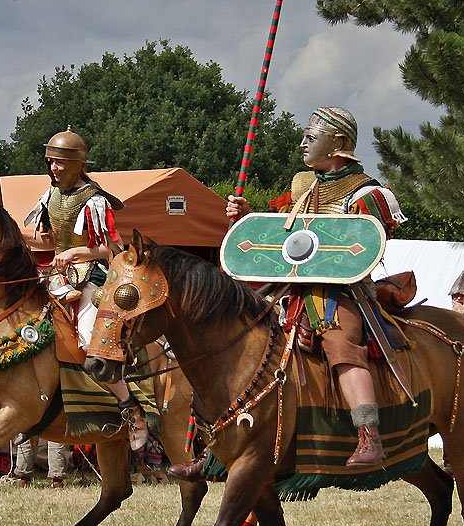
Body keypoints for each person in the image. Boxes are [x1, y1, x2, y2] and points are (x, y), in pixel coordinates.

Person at [170, 106, 407, 481]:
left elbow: (365, 245)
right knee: (237, 342)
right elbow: (287, 237)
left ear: (338, 145)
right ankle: (217, 450)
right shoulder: (304, 188)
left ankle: (369, 435)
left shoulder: (369, 193)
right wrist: (250, 217)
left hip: (340, 292)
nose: (302, 143)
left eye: (312, 138)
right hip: (290, 289)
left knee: (340, 347)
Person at [22, 128, 151, 450]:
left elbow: (113, 250)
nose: (54, 169)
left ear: (78, 165)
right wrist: (15, 235)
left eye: (60, 164)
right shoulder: (49, 198)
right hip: (56, 277)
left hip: (92, 275)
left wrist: (76, 253)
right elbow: (49, 242)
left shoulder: (94, 201)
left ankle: (129, 408)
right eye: (50, 162)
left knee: (90, 336)